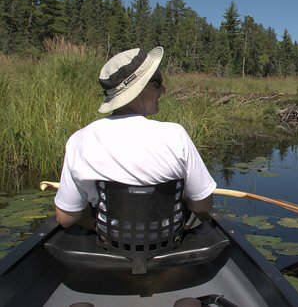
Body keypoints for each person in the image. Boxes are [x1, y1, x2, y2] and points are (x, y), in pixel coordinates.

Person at [54, 46, 216, 229]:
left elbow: (65, 219)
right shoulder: (176, 135)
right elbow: (203, 206)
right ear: (138, 90)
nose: (164, 90)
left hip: (109, 244)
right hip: (169, 242)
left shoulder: (79, 140)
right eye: (157, 83)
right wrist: (185, 197)